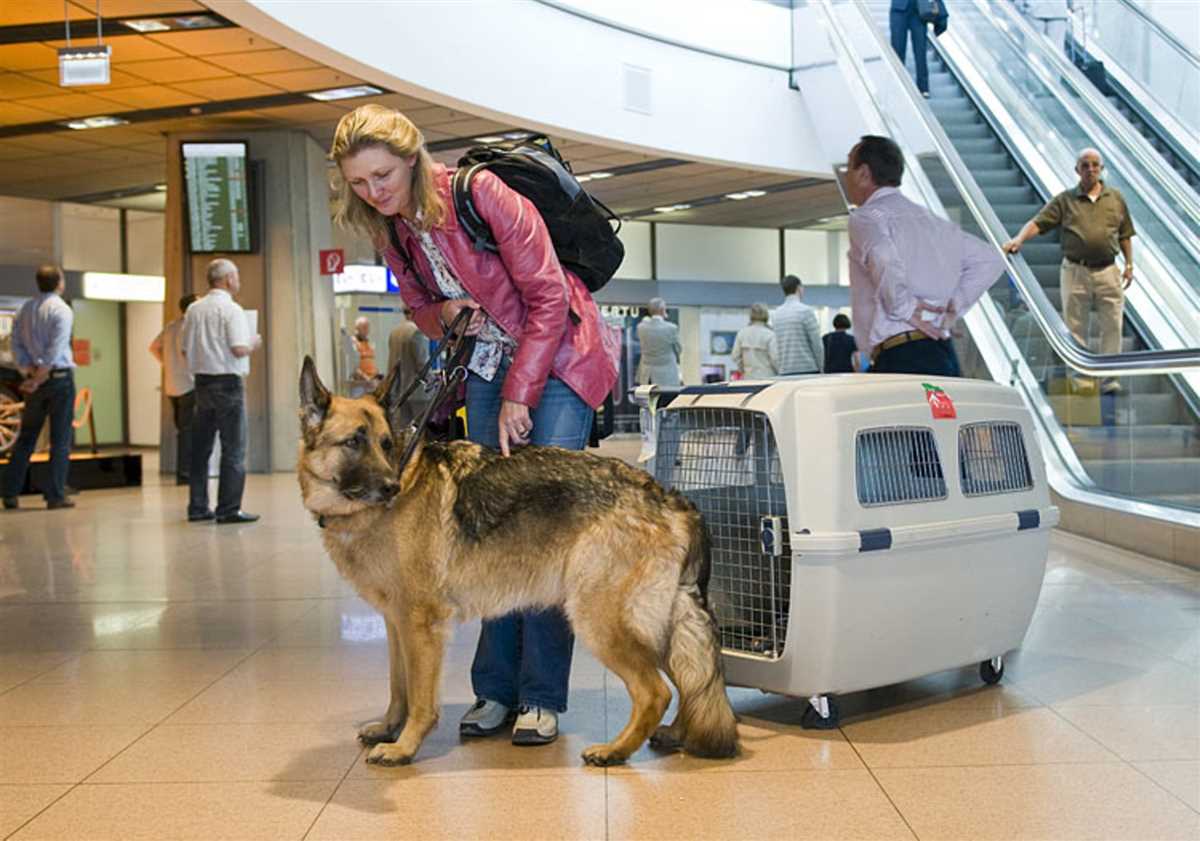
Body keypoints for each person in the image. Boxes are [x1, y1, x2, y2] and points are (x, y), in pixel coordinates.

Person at [330, 103, 617, 747]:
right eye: (359, 183)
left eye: (382, 176)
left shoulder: (481, 193)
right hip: (486, 361)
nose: (374, 192)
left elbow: (547, 295)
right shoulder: (391, 228)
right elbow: (419, 309)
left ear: (411, 158)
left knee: (544, 527)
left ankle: (541, 697)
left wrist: (522, 393)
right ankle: (494, 690)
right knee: (486, 525)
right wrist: (445, 311)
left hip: (563, 357)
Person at [845, 135, 1005, 376]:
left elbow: (883, 256)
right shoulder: (932, 221)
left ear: (864, 173)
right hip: (942, 350)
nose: (846, 176)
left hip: (901, 354)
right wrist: (954, 306)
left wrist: (905, 308)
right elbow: (990, 260)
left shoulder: (867, 217)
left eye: (849, 168)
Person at [1003, 147, 1135, 394]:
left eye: (1095, 164)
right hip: (1076, 270)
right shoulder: (1066, 200)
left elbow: (1126, 234)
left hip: (1108, 270)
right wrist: (1018, 239)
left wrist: (1129, 265)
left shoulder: (1116, 198)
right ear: (1077, 170)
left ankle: (1109, 378)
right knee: (1075, 324)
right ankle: (1081, 376)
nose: (1090, 169)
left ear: (1102, 169)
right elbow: (1038, 222)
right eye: (1085, 165)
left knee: (1113, 323)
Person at [181, 258, 261, 525]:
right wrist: (254, 342)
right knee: (233, 449)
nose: (238, 280)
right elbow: (239, 347)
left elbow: (184, 349)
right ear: (228, 279)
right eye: (236, 276)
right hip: (228, 384)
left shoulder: (193, 309)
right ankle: (228, 509)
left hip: (201, 383)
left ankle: (198, 507)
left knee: (200, 450)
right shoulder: (232, 310)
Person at [2, 265, 76, 511]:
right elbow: (56, 349)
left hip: (35, 380)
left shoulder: (26, 309)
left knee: (26, 439)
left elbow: (16, 344)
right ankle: (55, 495)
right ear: (59, 282)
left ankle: (10, 493)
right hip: (59, 379)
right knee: (60, 439)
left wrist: (28, 373)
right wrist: (41, 375)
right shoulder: (61, 310)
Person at [150, 294, 197, 485]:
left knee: (182, 430)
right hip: (189, 383)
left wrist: (166, 364)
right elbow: (188, 352)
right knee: (188, 431)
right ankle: (185, 473)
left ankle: (184, 471)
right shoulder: (191, 327)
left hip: (171, 384)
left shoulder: (171, 326)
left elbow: (153, 347)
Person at [889, 0, 949, 98]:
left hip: (919, 11)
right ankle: (897, 83)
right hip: (899, 9)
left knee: (920, 51)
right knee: (897, 50)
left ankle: (923, 87)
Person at [386, 305, 431, 429]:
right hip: (418, 392)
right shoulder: (417, 332)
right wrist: (433, 382)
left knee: (403, 431)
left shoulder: (395, 332)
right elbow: (422, 364)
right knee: (422, 431)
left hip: (400, 391)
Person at [772, 275, 824, 375]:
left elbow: (776, 346)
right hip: (807, 369)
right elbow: (817, 344)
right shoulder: (805, 311)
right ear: (799, 288)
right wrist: (821, 368)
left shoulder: (776, 314)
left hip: (785, 371)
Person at [635, 297, 682, 385]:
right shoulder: (671, 328)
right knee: (668, 398)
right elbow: (678, 349)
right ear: (662, 310)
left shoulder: (641, 327)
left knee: (649, 397)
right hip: (668, 374)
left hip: (648, 373)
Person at [731, 303, 778, 379]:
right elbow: (775, 359)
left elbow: (735, 356)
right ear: (766, 315)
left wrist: (743, 370)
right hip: (768, 378)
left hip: (748, 379)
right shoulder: (770, 335)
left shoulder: (742, 333)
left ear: (751, 316)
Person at [351, 316, 381, 395]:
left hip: (372, 383)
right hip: (360, 385)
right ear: (357, 329)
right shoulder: (353, 343)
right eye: (364, 328)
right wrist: (368, 380)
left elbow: (371, 361)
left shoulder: (368, 343)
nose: (367, 331)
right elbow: (354, 368)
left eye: (368, 328)